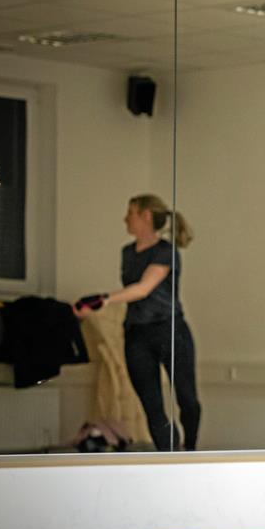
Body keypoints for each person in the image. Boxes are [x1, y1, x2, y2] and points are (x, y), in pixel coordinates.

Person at [75, 194, 200, 452]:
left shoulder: (166, 251)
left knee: (187, 399)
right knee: (152, 405)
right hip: (137, 335)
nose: (125, 218)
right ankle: (170, 458)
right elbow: (134, 292)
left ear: (145, 216)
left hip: (170, 331)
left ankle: (190, 449)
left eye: (130, 212)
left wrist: (103, 299)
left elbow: (143, 288)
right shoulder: (127, 253)